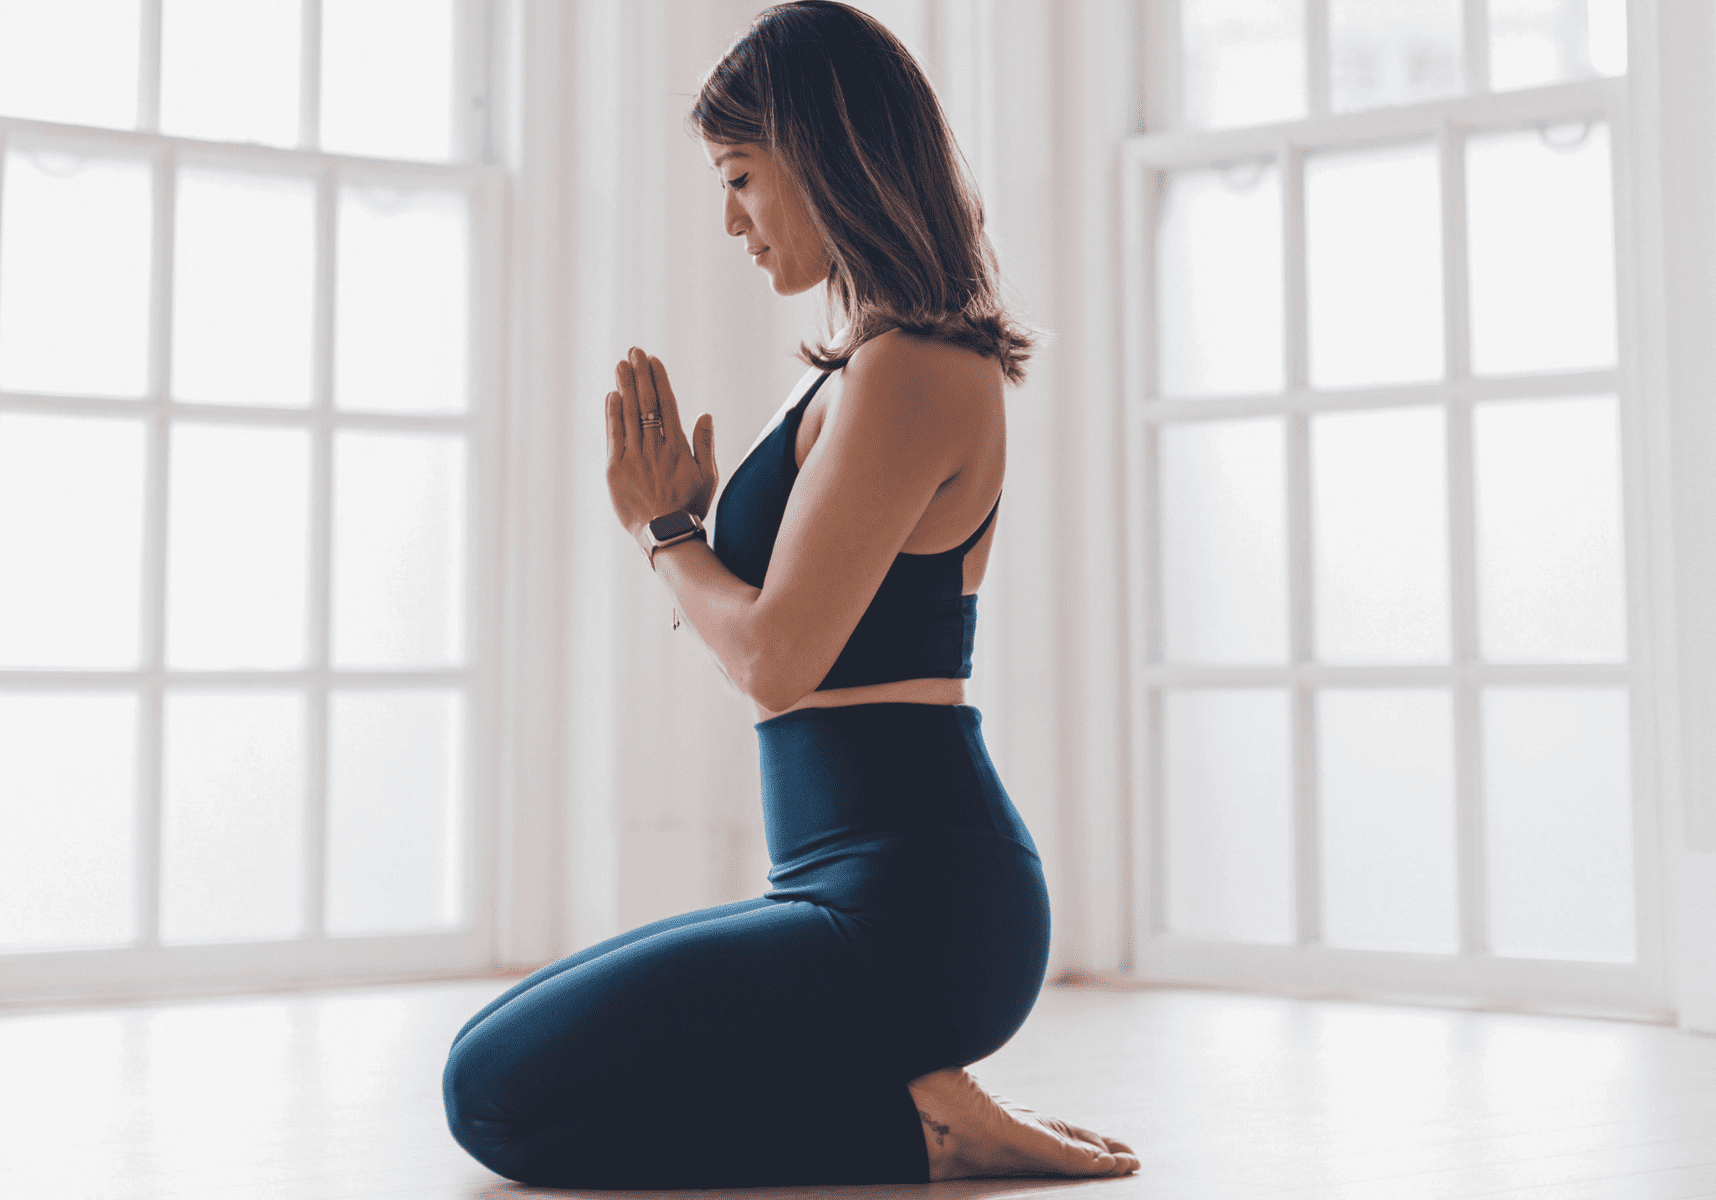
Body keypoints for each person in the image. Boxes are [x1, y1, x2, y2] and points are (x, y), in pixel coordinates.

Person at [442, 2, 1139, 1187]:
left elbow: (777, 661)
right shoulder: (865, 368)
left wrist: (665, 533)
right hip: (840, 883)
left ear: (823, 156)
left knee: (495, 1099)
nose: (730, 220)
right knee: (485, 1057)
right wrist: (683, 533)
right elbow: (781, 632)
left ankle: (919, 1129)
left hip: (919, 908)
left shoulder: (916, 371)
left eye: (741, 178)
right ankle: (912, 1102)